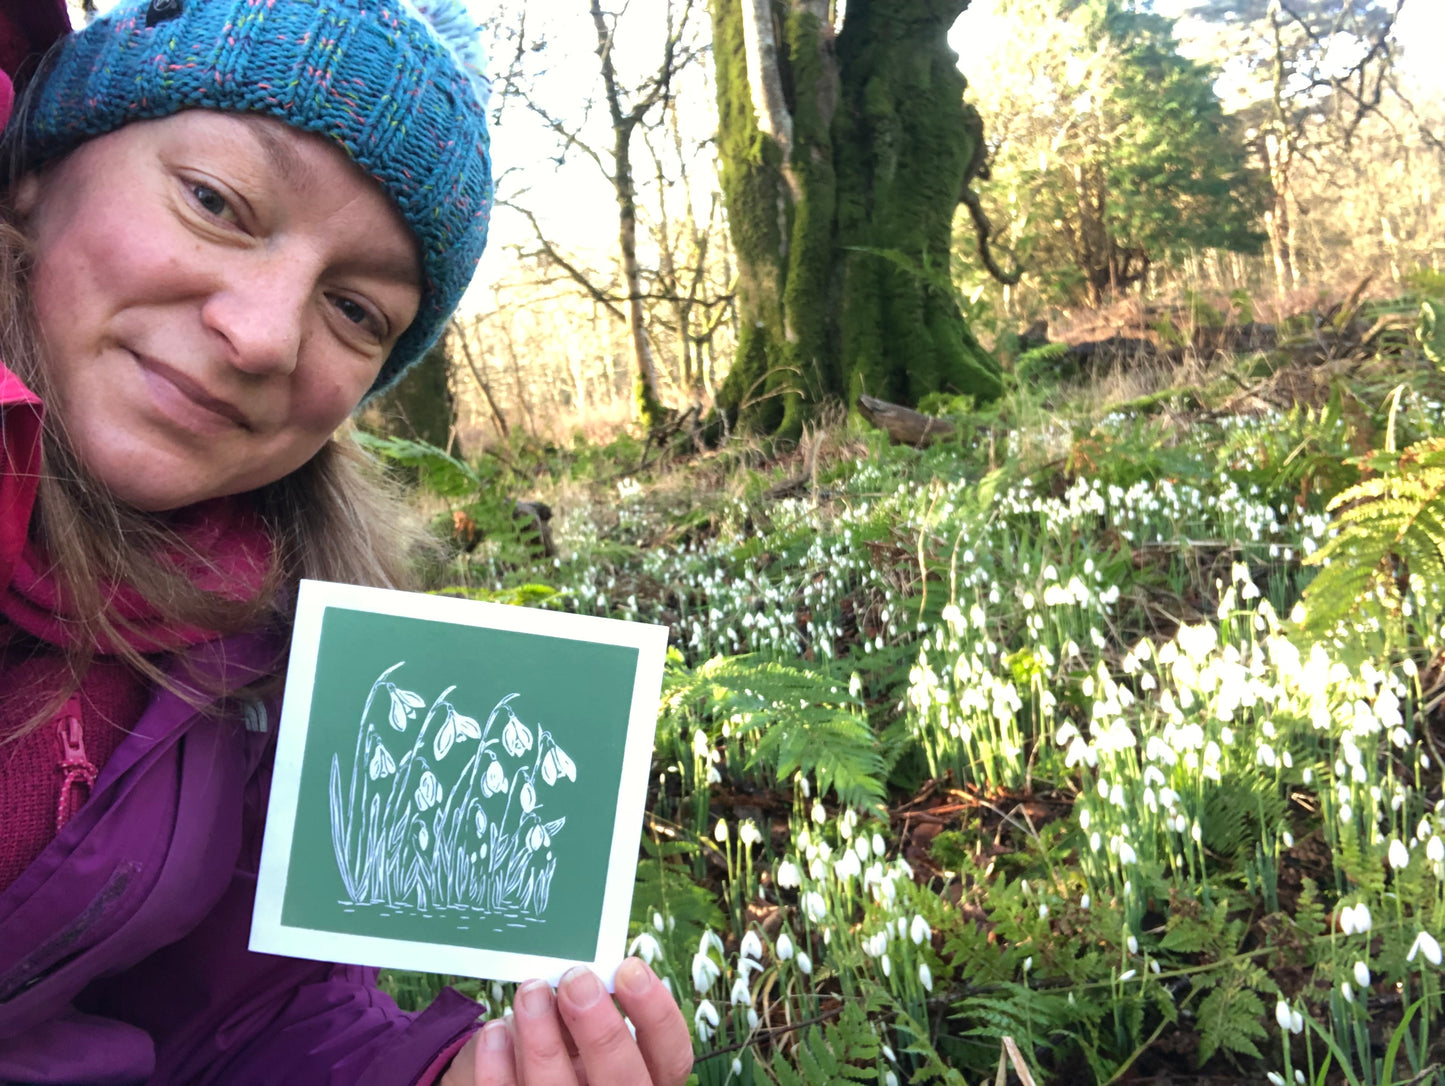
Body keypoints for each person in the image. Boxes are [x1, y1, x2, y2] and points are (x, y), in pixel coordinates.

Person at [0, 2, 694, 1083]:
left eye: (358, 311)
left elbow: (233, 1016)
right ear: (41, 167)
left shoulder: (268, 650)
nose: (265, 333)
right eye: (217, 201)